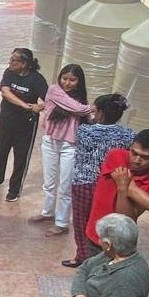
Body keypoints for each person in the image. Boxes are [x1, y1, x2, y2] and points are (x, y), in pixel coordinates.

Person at [82, 129, 149, 260]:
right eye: (134, 153)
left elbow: (125, 218)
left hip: (121, 245)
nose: (137, 160)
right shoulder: (117, 156)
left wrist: (122, 189)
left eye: (145, 157)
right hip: (96, 236)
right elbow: (132, 189)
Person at [62, 94, 134, 267]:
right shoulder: (128, 135)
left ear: (100, 113)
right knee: (105, 221)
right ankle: (106, 255)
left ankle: (83, 257)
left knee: (81, 222)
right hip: (111, 183)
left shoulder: (85, 131)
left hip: (84, 182)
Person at [30, 64, 94, 236]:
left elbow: (84, 115)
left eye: (72, 80)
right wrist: (92, 107)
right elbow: (78, 109)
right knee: (49, 182)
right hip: (50, 142)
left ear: (79, 82)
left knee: (65, 187)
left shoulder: (81, 98)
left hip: (70, 146)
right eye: (64, 78)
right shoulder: (53, 90)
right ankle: (48, 212)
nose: (67, 83)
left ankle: (62, 222)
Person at [0, 47, 48, 202]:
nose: (10, 62)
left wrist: (40, 107)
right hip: (7, 120)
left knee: (20, 157)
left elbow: (50, 99)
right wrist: (25, 105)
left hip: (26, 126)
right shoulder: (9, 73)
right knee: (0, 150)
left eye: (14, 60)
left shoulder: (37, 79)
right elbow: (5, 92)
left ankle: (14, 189)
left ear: (24, 63)